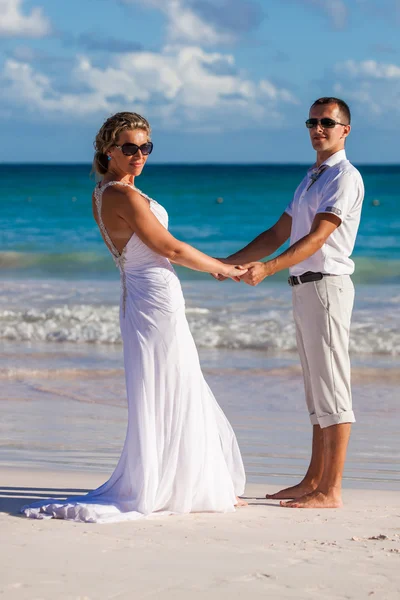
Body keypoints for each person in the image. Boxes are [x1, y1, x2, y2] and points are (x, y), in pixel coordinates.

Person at [21, 112, 247, 523]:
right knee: (170, 382)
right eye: (130, 148)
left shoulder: (105, 192)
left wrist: (218, 263)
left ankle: (183, 478)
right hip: (153, 300)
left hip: (144, 298)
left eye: (146, 147)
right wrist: (224, 268)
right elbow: (170, 248)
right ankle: (175, 484)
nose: (139, 154)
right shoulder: (121, 196)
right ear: (109, 150)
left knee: (172, 382)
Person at [218, 97, 364, 509]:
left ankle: (331, 490)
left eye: (327, 123)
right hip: (303, 287)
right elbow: (280, 229)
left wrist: (266, 269)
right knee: (316, 390)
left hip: (328, 286)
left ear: (345, 130)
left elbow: (318, 237)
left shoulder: (345, 177)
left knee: (334, 389)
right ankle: (312, 479)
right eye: (313, 122)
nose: (319, 128)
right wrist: (228, 263)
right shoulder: (312, 177)